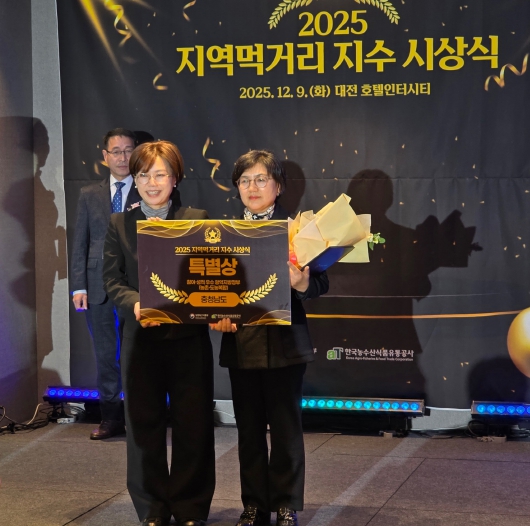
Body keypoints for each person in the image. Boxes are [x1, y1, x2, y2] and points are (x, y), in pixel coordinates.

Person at [210, 150, 329, 526]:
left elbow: (321, 283)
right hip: (241, 343)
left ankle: (286, 504)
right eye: (244, 180)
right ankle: (254, 505)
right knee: (247, 430)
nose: (253, 187)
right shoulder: (223, 233)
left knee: (285, 428)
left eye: (261, 179)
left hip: (285, 344)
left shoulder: (297, 229)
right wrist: (216, 314)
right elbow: (211, 286)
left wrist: (303, 282)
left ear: (278, 186)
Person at [102, 140, 215, 526]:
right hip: (141, 340)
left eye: (160, 174)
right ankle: (151, 509)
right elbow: (112, 280)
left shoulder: (197, 218)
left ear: (175, 177)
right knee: (143, 427)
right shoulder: (119, 224)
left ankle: (190, 508)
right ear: (134, 180)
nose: (152, 182)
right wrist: (136, 304)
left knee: (193, 425)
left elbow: (209, 274)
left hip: (188, 340)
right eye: (144, 175)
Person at [70, 127, 140, 440]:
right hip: (97, 286)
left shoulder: (148, 189)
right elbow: (80, 242)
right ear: (105, 156)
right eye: (116, 151)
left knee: (136, 354)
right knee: (105, 354)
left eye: (128, 150)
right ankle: (111, 418)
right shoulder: (89, 194)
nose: (123, 157)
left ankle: (138, 417)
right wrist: (79, 286)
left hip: (135, 285)